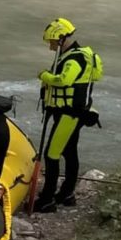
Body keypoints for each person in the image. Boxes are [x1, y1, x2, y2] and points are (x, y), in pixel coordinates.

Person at [33, 18, 103, 213]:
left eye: (52, 42)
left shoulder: (75, 59)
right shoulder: (71, 55)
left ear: (61, 38)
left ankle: (47, 199)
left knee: (51, 154)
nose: (50, 46)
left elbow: (64, 81)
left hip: (69, 114)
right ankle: (67, 193)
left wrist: (44, 76)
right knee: (69, 151)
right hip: (70, 112)